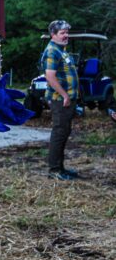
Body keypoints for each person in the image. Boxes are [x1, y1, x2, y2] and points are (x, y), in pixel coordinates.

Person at [41, 20, 79, 180]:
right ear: (53, 35)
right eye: (62, 33)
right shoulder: (52, 51)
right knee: (59, 132)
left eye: (67, 32)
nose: (66, 35)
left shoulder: (61, 50)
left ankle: (61, 168)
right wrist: (64, 95)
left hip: (67, 98)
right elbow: (50, 76)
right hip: (59, 99)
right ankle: (55, 170)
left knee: (64, 132)